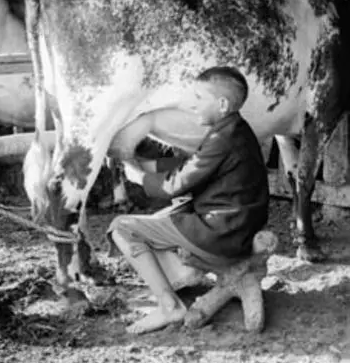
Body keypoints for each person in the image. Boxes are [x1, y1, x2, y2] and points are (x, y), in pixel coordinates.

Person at [107, 66, 270, 334]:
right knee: (166, 216)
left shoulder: (222, 137)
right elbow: (194, 164)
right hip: (239, 227)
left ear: (221, 104)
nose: (190, 105)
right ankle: (182, 277)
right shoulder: (235, 129)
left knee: (121, 227)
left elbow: (175, 184)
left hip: (221, 234)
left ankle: (168, 305)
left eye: (198, 98)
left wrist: (136, 176)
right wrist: (148, 164)